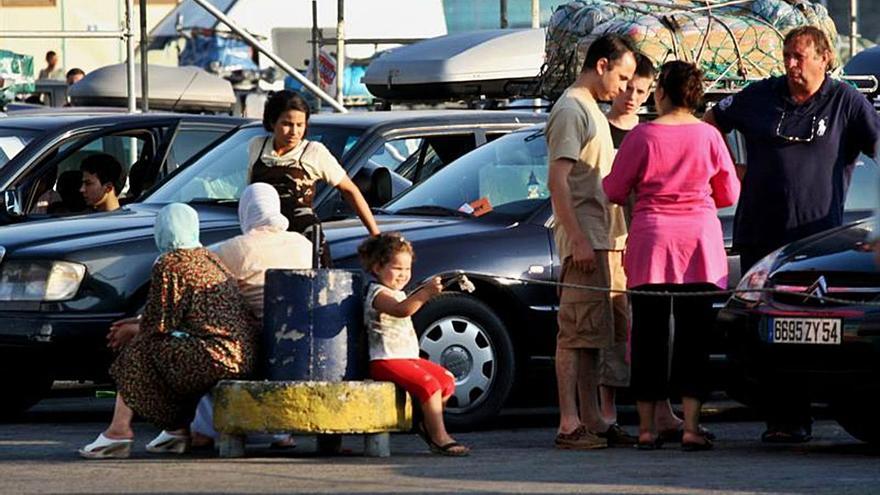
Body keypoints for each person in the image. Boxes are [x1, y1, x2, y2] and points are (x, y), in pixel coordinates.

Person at [704, 25, 880, 443]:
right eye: (787, 55)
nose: (791, 64)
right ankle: (783, 420)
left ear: (825, 58)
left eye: (800, 56)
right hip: (761, 235)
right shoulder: (760, 95)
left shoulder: (846, 102)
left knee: (815, 331)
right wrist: (730, 170)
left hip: (816, 241)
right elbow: (710, 123)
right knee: (774, 331)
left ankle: (816, 413)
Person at [603, 61, 740, 451]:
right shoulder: (710, 136)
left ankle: (646, 428)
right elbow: (729, 194)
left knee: (647, 335)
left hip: (652, 244)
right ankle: (692, 427)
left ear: (661, 92)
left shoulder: (642, 136)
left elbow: (614, 189)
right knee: (695, 339)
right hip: (699, 244)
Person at [79, 204, 259, 459]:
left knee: (139, 349)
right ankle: (175, 431)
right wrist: (136, 324)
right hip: (240, 354)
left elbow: (157, 325)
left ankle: (118, 431)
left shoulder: (170, 263)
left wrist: (130, 330)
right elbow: (174, 317)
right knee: (164, 351)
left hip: (214, 356)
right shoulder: (209, 259)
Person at [546, 33, 637, 450]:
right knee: (575, 332)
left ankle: (594, 419)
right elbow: (558, 180)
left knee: (594, 336)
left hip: (605, 237)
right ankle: (569, 423)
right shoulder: (571, 109)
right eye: (621, 76)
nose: (624, 88)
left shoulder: (592, 110)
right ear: (602, 65)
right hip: (586, 238)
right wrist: (579, 238)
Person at [187, 183, 312, 449]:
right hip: (295, 337)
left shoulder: (231, 248)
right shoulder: (302, 243)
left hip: (248, 336)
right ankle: (281, 433)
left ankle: (204, 431)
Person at [358, 233, 469, 456]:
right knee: (429, 385)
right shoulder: (377, 293)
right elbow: (402, 310)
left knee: (446, 380)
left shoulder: (398, 293)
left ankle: (428, 425)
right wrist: (425, 294)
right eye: (397, 268)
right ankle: (439, 436)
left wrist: (428, 290)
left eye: (407, 270)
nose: (403, 275)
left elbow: (407, 303)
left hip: (407, 357)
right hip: (385, 359)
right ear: (378, 267)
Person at [249, 90, 380, 267]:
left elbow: (350, 190)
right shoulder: (257, 145)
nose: (294, 132)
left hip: (304, 240)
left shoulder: (314, 152)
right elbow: (250, 190)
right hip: (264, 239)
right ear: (272, 122)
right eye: (287, 124)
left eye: (300, 125)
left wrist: (375, 235)